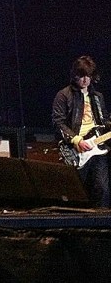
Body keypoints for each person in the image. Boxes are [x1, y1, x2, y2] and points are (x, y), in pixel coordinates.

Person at [52, 55, 111, 207]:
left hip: (98, 148)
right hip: (75, 149)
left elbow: (104, 121)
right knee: (76, 193)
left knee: (102, 189)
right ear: (75, 75)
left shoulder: (98, 97)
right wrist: (77, 140)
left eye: (88, 76)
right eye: (82, 76)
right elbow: (58, 122)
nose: (85, 80)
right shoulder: (63, 95)